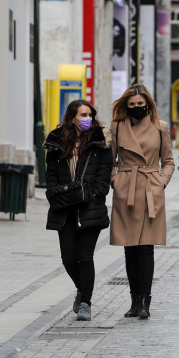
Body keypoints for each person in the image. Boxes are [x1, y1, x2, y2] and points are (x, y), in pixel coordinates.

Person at [110, 84, 175, 320]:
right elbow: (110, 160)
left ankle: (146, 301)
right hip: (126, 190)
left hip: (150, 189)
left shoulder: (160, 127)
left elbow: (168, 160)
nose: (137, 108)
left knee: (146, 247)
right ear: (125, 106)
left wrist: (161, 182)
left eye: (140, 103)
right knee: (130, 248)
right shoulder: (117, 127)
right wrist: (116, 181)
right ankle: (134, 300)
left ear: (148, 102)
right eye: (132, 105)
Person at [45, 100, 113, 322]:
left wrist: (95, 194)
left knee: (85, 257)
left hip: (90, 206)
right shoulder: (56, 142)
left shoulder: (99, 141)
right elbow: (51, 175)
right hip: (65, 208)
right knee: (68, 258)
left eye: (90, 114)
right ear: (72, 117)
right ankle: (82, 290)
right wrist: (55, 193)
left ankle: (85, 303)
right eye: (83, 114)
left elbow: (105, 172)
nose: (87, 119)